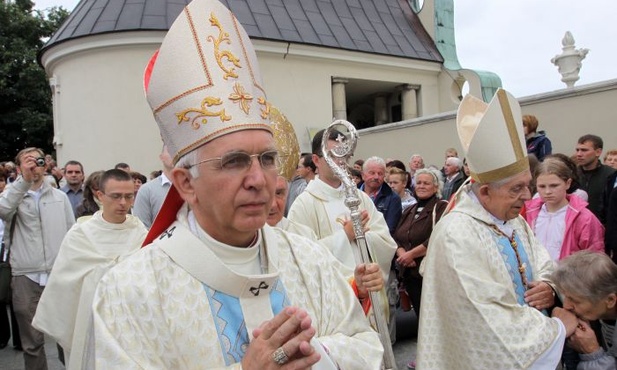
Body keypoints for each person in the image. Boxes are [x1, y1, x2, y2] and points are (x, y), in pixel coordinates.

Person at [88, 1, 383, 368]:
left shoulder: (308, 259)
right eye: (234, 161)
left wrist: (316, 356)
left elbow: (366, 345)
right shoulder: (130, 290)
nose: (259, 180)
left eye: (268, 159)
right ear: (186, 182)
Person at [417, 89, 579, 369]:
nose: (528, 197)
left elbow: (542, 261)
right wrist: (557, 329)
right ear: (485, 191)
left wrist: (549, 287)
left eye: (528, 185)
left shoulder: (513, 219)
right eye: (517, 189)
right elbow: (485, 318)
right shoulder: (456, 234)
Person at [32, 169, 147, 369]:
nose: (123, 203)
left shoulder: (141, 233)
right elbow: (64, 282)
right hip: (91, 323)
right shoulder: (81, 234)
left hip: (132, 325)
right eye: (116, 196)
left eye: (129, 196)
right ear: (100, 195)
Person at [0, 147, 75, 370]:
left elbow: (71, 234)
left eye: (38, 160)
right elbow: (3, 210)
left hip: (57, 273)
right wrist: (23, 181)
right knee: (32, 342)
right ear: (19, 165)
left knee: (66, 337)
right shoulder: (12, 196)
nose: (34, 165)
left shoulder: (59, 197)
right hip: (26, 275)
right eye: (28, 161)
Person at [525, 158, 604, 261]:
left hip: (568, 275)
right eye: (542, 186)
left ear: (568, 183)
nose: (547, 191)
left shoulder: (584, 218)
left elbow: (595, 257)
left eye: (554, 185)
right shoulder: (528, 213)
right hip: (536, 275)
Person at [551, 251, 617, 370]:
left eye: (575, 300)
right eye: (566, 296)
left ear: (610, 300)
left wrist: (592, 353)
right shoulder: (593, 315)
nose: (566, 306)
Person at [575, 134, 615, 221]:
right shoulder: (571, 174)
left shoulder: (611, 175)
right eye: (577, 150)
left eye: (584, 150)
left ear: (598, 152)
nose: (579, 154)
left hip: (602, 227)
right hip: (576, 227)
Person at [133, 146, 173, 228]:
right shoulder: (147, 190)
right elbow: (141, 227)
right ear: (161, 157)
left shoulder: (194, 187)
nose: (175, 153)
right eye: (170, 150)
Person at [361, 156, 402, 235]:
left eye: (380, 174)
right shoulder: (351, 195)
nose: (376, 177)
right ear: (363, 175)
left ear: (384, 176)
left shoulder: (393, 198)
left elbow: (389, 229)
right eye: (372, 173)